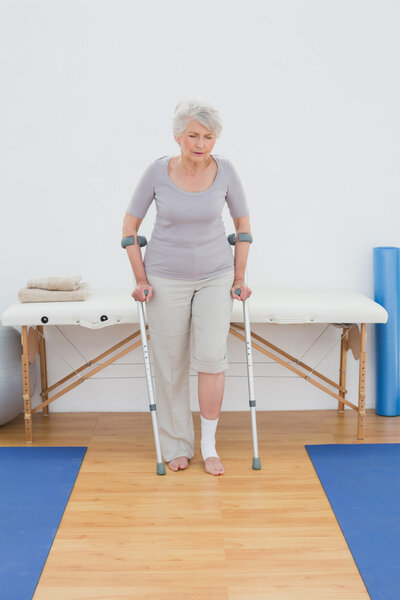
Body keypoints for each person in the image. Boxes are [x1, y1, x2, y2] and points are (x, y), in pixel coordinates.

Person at [122, 96, 252, 476]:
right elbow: (129, 229)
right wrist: (141, 280)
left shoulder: (226, 171)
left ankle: (209, 445)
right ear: (178, 136)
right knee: (171, 363)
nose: (200, 143)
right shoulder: (156, 173)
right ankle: (177, 444)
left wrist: (240, 277)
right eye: (193, 135)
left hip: (215, 276)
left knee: (212, 359)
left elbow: (243, 227)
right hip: (164, 277)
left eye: (208, 136)